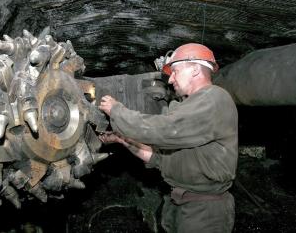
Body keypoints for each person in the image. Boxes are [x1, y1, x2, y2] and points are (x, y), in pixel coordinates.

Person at [98, 43, 238, 233]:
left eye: (175, 71)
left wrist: (117, 111)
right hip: (178, 203)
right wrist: (122, 139)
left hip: (205, 212)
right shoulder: (190, 109)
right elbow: (158, 159)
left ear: (195, 70)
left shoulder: (215, 99)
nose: (170, 80)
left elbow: (166, 130)